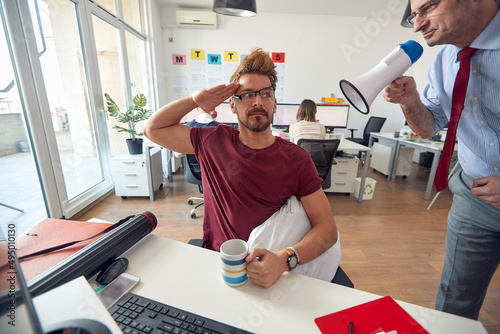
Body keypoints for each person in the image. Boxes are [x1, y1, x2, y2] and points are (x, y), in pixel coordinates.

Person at [143, 48, 339, 288]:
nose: (258, 101)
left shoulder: (297, 159)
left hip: (271, 270)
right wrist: (195, 99)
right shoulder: (212, 140)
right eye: (247, 95)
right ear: (232, 106)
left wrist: (284, 260)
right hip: (219, 264)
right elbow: (152, 129)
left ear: (275, 104)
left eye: (266, 94)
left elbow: (327, 229)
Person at [384, 0, 500, 320]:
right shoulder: (443, 62)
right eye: (413, 16)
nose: (418, 25)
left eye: (428, 8)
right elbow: (429, 126)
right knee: (455, 302)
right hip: (473, 194)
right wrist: (410, 101)